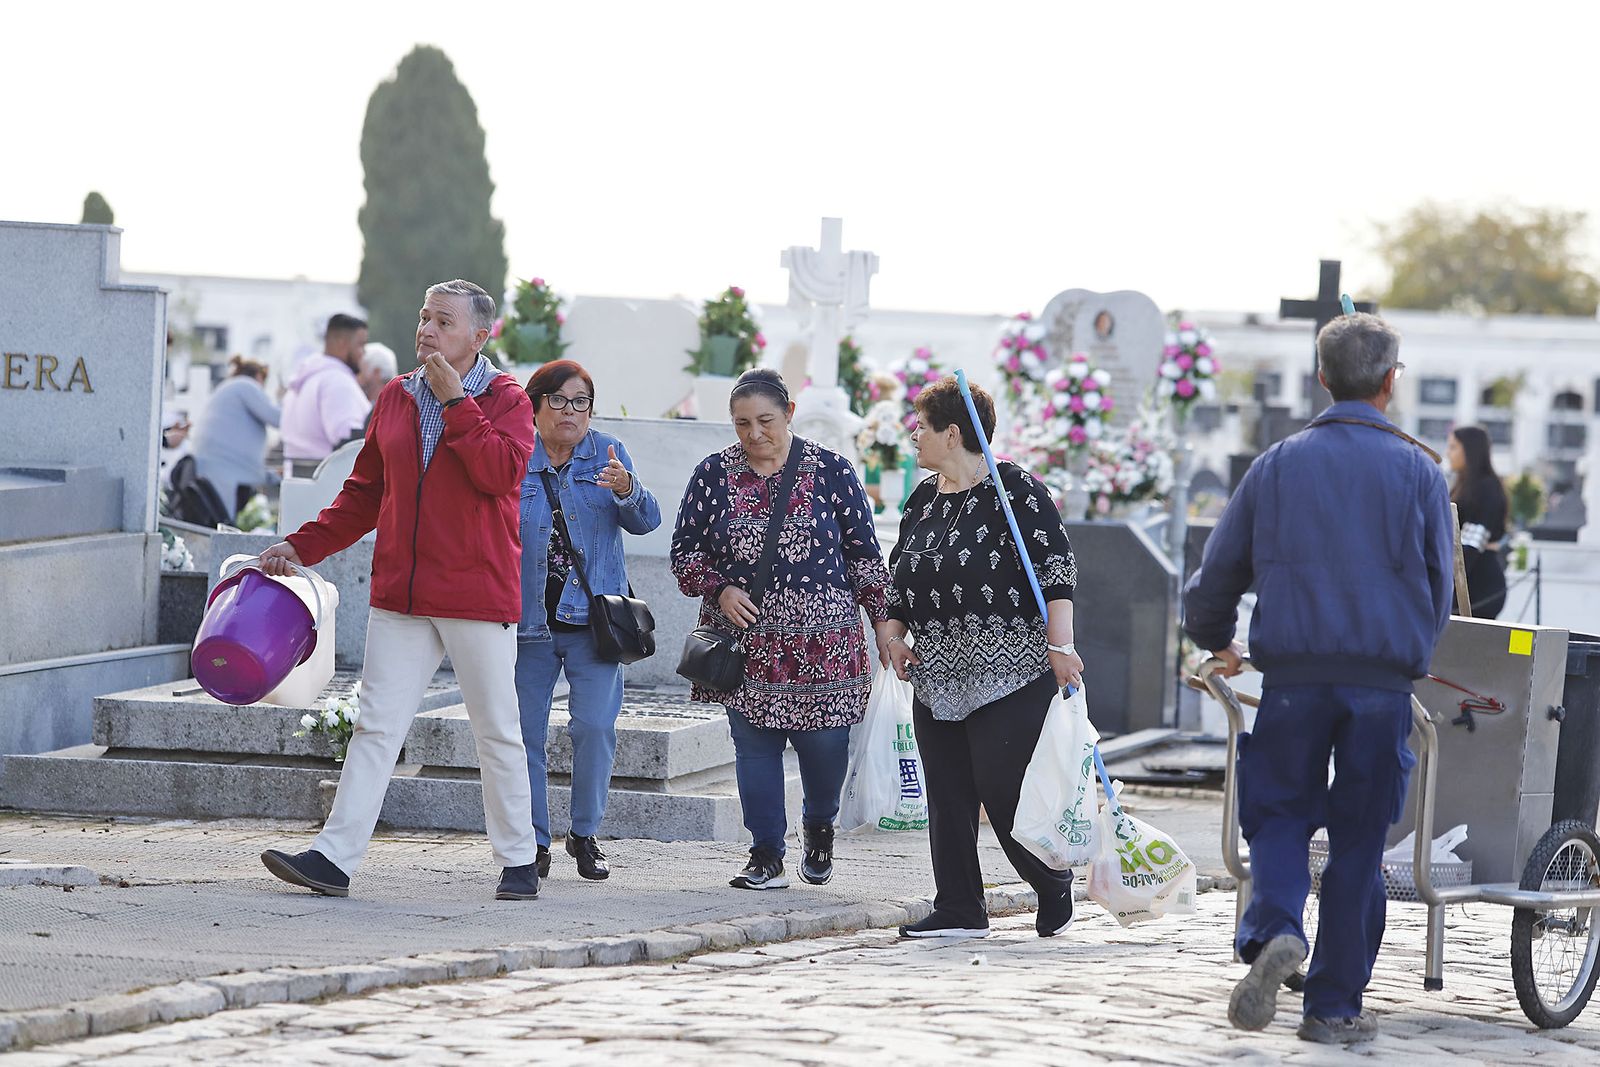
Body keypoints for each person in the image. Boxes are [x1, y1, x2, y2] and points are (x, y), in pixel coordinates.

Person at [1184, 312, 1453, 1045]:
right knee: (1361, 841)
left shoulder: (1278, 463)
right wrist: (1410, 656)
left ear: (1321, 376)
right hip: (1381, 684)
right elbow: (1437, 586)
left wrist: (1217, 641)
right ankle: (1333, 1006)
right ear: (1392, 381)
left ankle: (1275, 925)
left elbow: (1217, 577)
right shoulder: (1422, 472)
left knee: (1278, 814)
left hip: (1295, 676)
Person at [256, 280, 542, 902]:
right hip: (403, 597)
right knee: (376, 728)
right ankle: (333, 859)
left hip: (476, 595)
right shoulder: (394, 397)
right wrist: (300, 547)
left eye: (444, 321)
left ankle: (519, 859)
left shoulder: (508, 400)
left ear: (479, 335)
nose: (427, 330)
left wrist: (456, 401)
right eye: (424, 317)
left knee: (496, 729)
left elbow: (500, 474)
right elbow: (363, 495)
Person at [670, 368, 894, 890]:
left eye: (765, 420)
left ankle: (819, 827)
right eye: (742, 423)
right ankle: (765, 853)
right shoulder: (713, 474)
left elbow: (864, 557)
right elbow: (684, 555)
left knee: (824, 749)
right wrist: (720, 587)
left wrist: (883, 623)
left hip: (826, 647)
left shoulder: (833, 470)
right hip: (746, 645)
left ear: (789, 413)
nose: (754, 434)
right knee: (754, 749)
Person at [880, 376, 1083, 941]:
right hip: (937, 670)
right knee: (947, 795)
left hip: (1010, 668)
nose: (913, 435)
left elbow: (1056, 570)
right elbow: (900, 579)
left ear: (953, 433)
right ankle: (960, 908)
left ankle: (1050, 881)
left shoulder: (1015, 489)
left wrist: (1060, 646)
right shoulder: (923, 498)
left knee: (1003, 787)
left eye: (922, 425)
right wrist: (893, 636)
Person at [515, 359, 661, 881]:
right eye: (557, 400)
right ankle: (531, 843)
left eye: (581, 402)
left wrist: (626, 489)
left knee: (595, 727)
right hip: (526, 624)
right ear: (534, 407)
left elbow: (647, 521)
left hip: (595, 623)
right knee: (523, 735)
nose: (570, 412)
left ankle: (584, 833)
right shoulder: (513, 455)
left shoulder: (607, 453)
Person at [192, 355, 280, 520]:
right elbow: (277, 418)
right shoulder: (245, 385)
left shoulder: (229, 387)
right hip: (223, 469)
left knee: (221, 521)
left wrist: (269, 475)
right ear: (259, 376)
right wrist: (286, 398)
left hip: (218, 467)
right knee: (224, 524)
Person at [280, 313, 370, 468]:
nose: (364, 353)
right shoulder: (336, 381)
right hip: (327, 482)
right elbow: (350, 443)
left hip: (297, 481)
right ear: (342, 343)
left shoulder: (306, 378)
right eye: (360, 345)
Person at [1448, 426, 1508, 619]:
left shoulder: (1486, 487)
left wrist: (1447, 578)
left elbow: (1473, 543)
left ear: (1470, 449)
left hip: (1479, 585)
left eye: (1453, 447)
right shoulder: (1465, 485)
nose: (1448, 453)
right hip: (1466, 578)